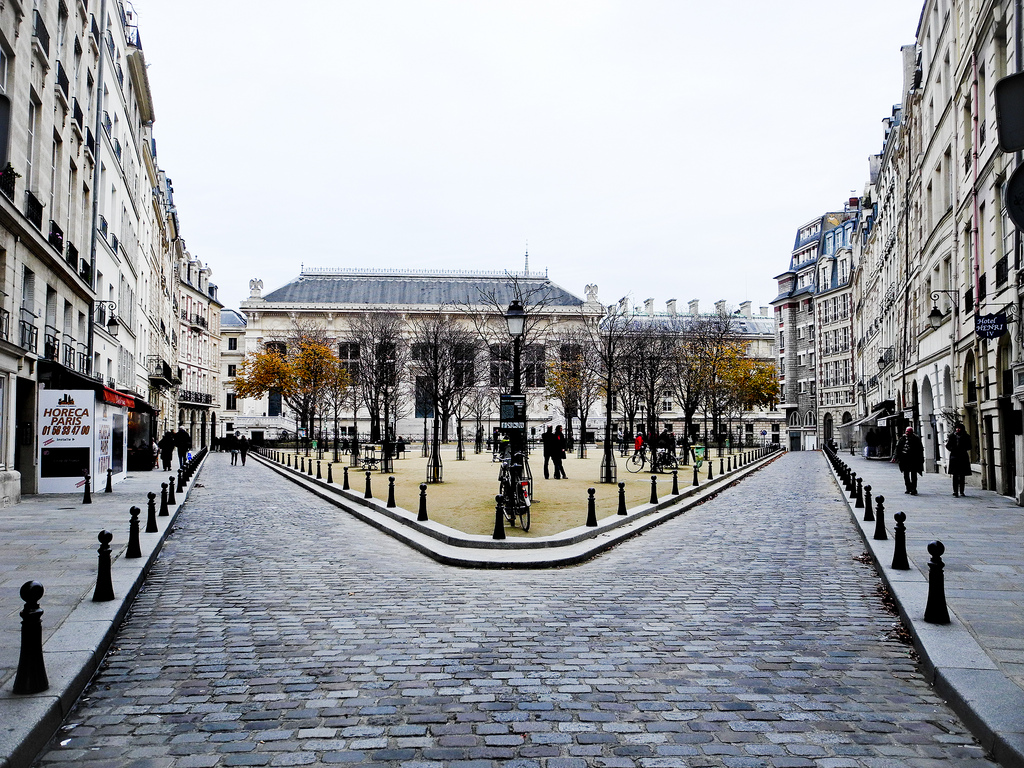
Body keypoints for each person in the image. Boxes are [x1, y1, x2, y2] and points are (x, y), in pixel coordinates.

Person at [895, 426, 925, 495]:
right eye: (906, 431)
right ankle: (908, 488)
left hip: (913, 459)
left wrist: (920, 459)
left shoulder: (916, 439)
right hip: (904, 459)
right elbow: (898, 448)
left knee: (913, 475)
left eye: (909, 432)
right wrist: (896, 457)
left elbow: (920, 449)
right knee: (906, 475)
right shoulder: (902, 439)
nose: (907, 433)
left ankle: (913, 488)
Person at [945, 423, 972, 497]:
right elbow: (947, 445)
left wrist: (963, 449)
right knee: (955, 475)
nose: (957, 429)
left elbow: (969, 446)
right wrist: (952, 449)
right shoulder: (952, 436)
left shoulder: (966, 436)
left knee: (962, 475)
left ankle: (962, 491)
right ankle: (955, 491)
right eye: (956, 428)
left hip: (963, 457)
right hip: (954, 457)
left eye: (959, 428)